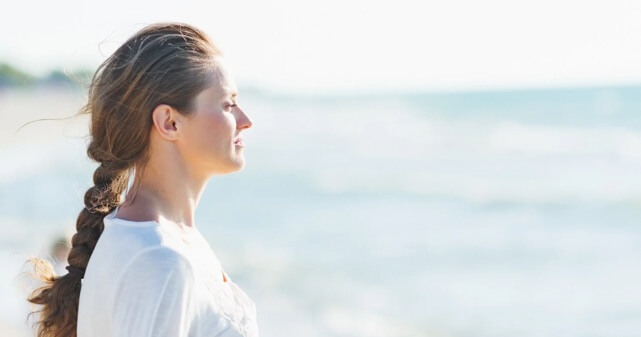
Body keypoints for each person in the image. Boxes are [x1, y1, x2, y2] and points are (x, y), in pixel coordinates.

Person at [25, 22, 258, 337]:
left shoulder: (162, 240)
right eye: (228, 104)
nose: (245, 121)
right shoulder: (160, 260)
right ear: (169, 122)